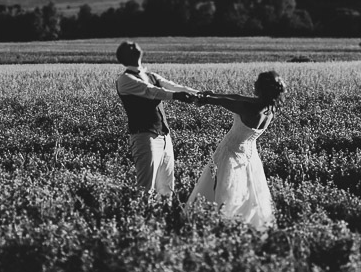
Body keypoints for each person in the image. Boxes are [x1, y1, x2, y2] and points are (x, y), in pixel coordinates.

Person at [186, 70, 286, 230]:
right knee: (247, 192)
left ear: (260, 88)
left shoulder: (249, 108)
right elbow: (238, 97)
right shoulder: (269, 108)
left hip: (231, 153)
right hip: (249, 155)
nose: (253, 85)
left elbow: (227, 102)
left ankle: (218, 225)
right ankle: (242, 226)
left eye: (256, 84)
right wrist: (214, 94)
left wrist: (207, 99)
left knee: (223, 192)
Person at [115, 41, 199, 197]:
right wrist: (177, 97)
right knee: (146, 188)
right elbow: (151, 91)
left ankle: (162, 217)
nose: (134, 44)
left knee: (167, 188)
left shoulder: (150, 75)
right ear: (124, 57)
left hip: (164, 135)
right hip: (145, 137)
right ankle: (143, 218)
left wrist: (199, 94)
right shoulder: (125, 80)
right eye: (129, 46)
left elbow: (173, 86)